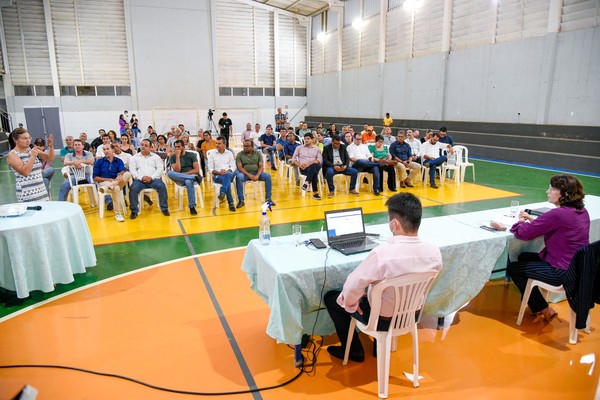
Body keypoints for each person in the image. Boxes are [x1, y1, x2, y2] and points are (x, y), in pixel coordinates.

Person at [324, 193, 443, 362]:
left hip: (381, 320)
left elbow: (352, 286)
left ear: (394, 224)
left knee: (331, 298)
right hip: (411, 316)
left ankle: (352, 350)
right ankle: (377, 349)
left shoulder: (382, 254)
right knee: (381, 296)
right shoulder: (434, 253)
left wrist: (352, 304)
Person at [507, 174, 590, 322]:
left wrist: (520, 221)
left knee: (513, 269)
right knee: (524, 257)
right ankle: (537, 305)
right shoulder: (582, 212)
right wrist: (535, 221)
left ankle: (543, 309)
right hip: (579, 269)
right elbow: (559, 227)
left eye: (552, 189)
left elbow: (524, 234)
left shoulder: (557, 214)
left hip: (562, 272)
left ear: (564, 194)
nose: (548, 191)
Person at [7, 128, 54, 202]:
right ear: (15, 140)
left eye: (29, 138)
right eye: (24, 138)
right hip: (27, 193)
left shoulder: (31, 150)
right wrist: (32, 156)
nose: (28, 140)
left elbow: (49, 158)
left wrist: (51, 147)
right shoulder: (12, 155)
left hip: (41, 189)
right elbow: (25, 172)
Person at [129, 139, 170, 219]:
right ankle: (134, 211)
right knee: (133, 189)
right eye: (142, 145)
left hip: (153, 179)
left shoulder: (156, 157)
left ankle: (164, 208)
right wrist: (141, 177)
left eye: (146, 145)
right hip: (139, 180)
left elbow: (160, 169)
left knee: (162, 187)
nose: (143, 147)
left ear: (150, 147)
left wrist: (152, 177)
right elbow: (133, 170)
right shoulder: (134, 158)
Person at [93, 143, 131, 222]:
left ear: (113, 150)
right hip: (104, 182)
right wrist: (109, 180)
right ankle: (118, 213)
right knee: (116, 188)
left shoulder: (118, 160)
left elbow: (122, 170)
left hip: (116, 181)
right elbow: (95, 178)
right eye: (104, 149)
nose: (106, 151)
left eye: (108, 149)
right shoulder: (99, 162)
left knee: (127, 174)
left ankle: (110, 186)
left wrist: (120, 175)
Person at [235, 139, 276, 209]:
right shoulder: (240, 154)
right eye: (244, 146)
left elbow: (261, 166)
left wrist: (257, 175)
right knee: (238, 177)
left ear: (252, 146)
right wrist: (249, 175)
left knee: (268, 176)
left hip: (256, 173)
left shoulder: (258, 154)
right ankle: (241, 200)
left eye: (247, 146)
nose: (245, 148)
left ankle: (268, 198)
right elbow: (240, 168)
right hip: (245, 174)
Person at [168, 140, 202, 215]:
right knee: (170, 173)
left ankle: (192, 207)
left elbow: (196, 170)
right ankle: (193, 178)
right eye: (175, 147)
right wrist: (177, 156)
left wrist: (186, 174)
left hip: (191, 175)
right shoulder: (173, 157)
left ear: (183, 147)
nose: (177, 149)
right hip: (180, 177)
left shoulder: (191, 155)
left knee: (188, 182)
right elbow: (177, 170)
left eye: (179, 147)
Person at [208, 136, 237, 212]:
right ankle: (230, 202)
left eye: (219, 143)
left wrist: (227, 171)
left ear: (224, 144)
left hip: (229, 173)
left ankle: (223, 192)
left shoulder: (229, 153)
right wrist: (219, 172)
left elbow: (233, 166)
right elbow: (210, 168)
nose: (217, 145)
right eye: (216, 143)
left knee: (227, 176)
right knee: (226, 181)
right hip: (217, 175)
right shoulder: (212, 154)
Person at [291, 133, 322, 200]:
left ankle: (306, 182)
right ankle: (315, 193)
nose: (306, 140)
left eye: (308, 139)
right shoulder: (299, 148)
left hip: (313, 166)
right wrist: (300, 165)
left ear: (312, 140)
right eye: (305, 139)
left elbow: (319, 160)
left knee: (314, 166)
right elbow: (293, 159)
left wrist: (309, 163)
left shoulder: (317, 149)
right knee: (314, 171)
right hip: (303, 168)